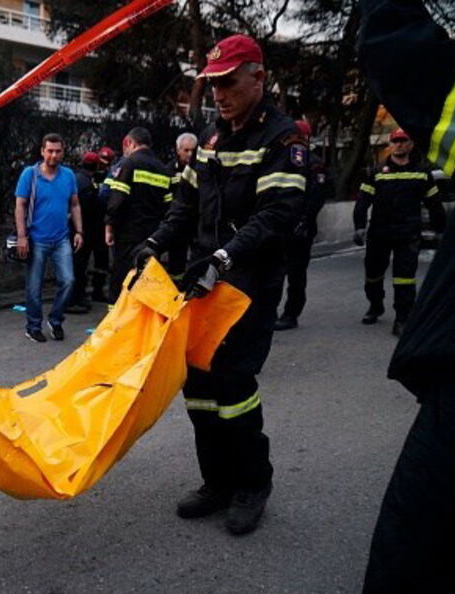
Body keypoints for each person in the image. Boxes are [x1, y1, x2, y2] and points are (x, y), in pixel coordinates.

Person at [357, 0, 455, 594]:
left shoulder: (430, 162)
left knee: (407, 568)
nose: (397, 145)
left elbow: (409, 59)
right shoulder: (382, 171)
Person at [136, 34, 305, 535]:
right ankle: (217, 482)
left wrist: (225, 256)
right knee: (200, 388)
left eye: (228, 82)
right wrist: (153, 243)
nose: (219, 94)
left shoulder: (283, 139)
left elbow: (278, 213)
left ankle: (253, 483)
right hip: (205, 282)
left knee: (234, 387)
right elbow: (185, 208)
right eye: (212, 85)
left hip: (248, 283)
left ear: (259, 77)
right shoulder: (210, 141)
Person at [353, 127, 445, 336]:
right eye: (396, 141)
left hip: (408, 233)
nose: (399, 144)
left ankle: (402, 318)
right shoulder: (376, 172)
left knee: (404, 277)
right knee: (373, 275)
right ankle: (375, 305)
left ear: (411, 145)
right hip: (379, 233)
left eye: (404, 141)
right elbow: (362, 203)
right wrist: (359, 227)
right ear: (390, 145)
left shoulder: (422, 173)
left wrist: (440, 230)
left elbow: (435, 204)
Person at [15, 133, 83, 342]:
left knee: (69, 281)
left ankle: (55, 321)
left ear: (63, 152)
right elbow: (20, 205)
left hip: (61, 238)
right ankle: (33, 326)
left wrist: (79, 231)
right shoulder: (30, 174)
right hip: (37, 240)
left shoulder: (69, 175)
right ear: (42, 151)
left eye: (58, 151)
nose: (53, 155)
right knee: (34, 287)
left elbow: (74, 204)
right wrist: (22, 236)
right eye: (50, 151)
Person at [104, 127, 172, 303]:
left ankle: (116, 321)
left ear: (130, 143)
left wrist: (109, 226)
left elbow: (117, 200)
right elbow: (169, 207)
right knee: (144, 279)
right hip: (152, 236)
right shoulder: (163, 169)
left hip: (127, 233)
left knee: (120, 278)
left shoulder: (129, 164)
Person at [275, 120, 331, 330]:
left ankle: (291, 314)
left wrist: (303, 220)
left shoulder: (313, 163)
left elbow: (317, 197)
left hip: (300, 228)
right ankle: (270, 312)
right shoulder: (284, 160)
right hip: (280, 226)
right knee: (276, 272)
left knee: (296, 274)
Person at [67, 152, 109, 313]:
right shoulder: (87, 184)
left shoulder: (78, 179)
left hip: (81, 230)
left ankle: (78, 297)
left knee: (79, 265)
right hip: (85, 231)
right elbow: (88, 208)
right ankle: (74, 299)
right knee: (78, 265)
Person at [163, 132, 199, 277]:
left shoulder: (203, 169)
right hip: (177, 223)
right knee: (176, 262)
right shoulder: (168, 170)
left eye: (193, 150)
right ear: (178, 150)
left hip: (197, 223)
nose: (190, 154)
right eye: (186, 150)